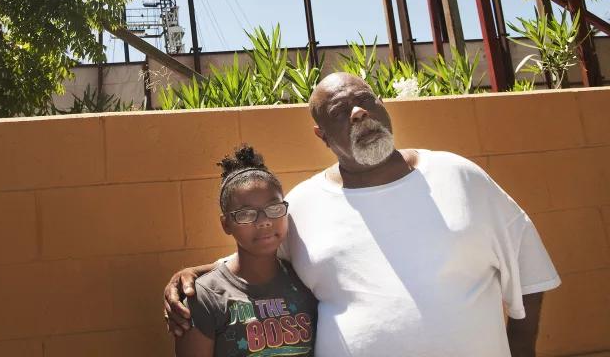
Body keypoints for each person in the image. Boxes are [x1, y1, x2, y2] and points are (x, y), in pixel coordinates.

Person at [164, 72, 560, 357]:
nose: (357, 113)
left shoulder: (457, 175)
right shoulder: (304, 205)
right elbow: (259, 258)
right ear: (321, 134)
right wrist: (198, 274)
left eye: (365, 100)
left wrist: (522, 348)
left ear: (382, 105)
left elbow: (529, 267)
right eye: (339, 110)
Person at [175, 145, 317, 357]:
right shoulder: (204, 297)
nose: (264, 222)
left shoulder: (306, 279)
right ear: (226, 224)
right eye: (245, 214)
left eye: (274, 208)